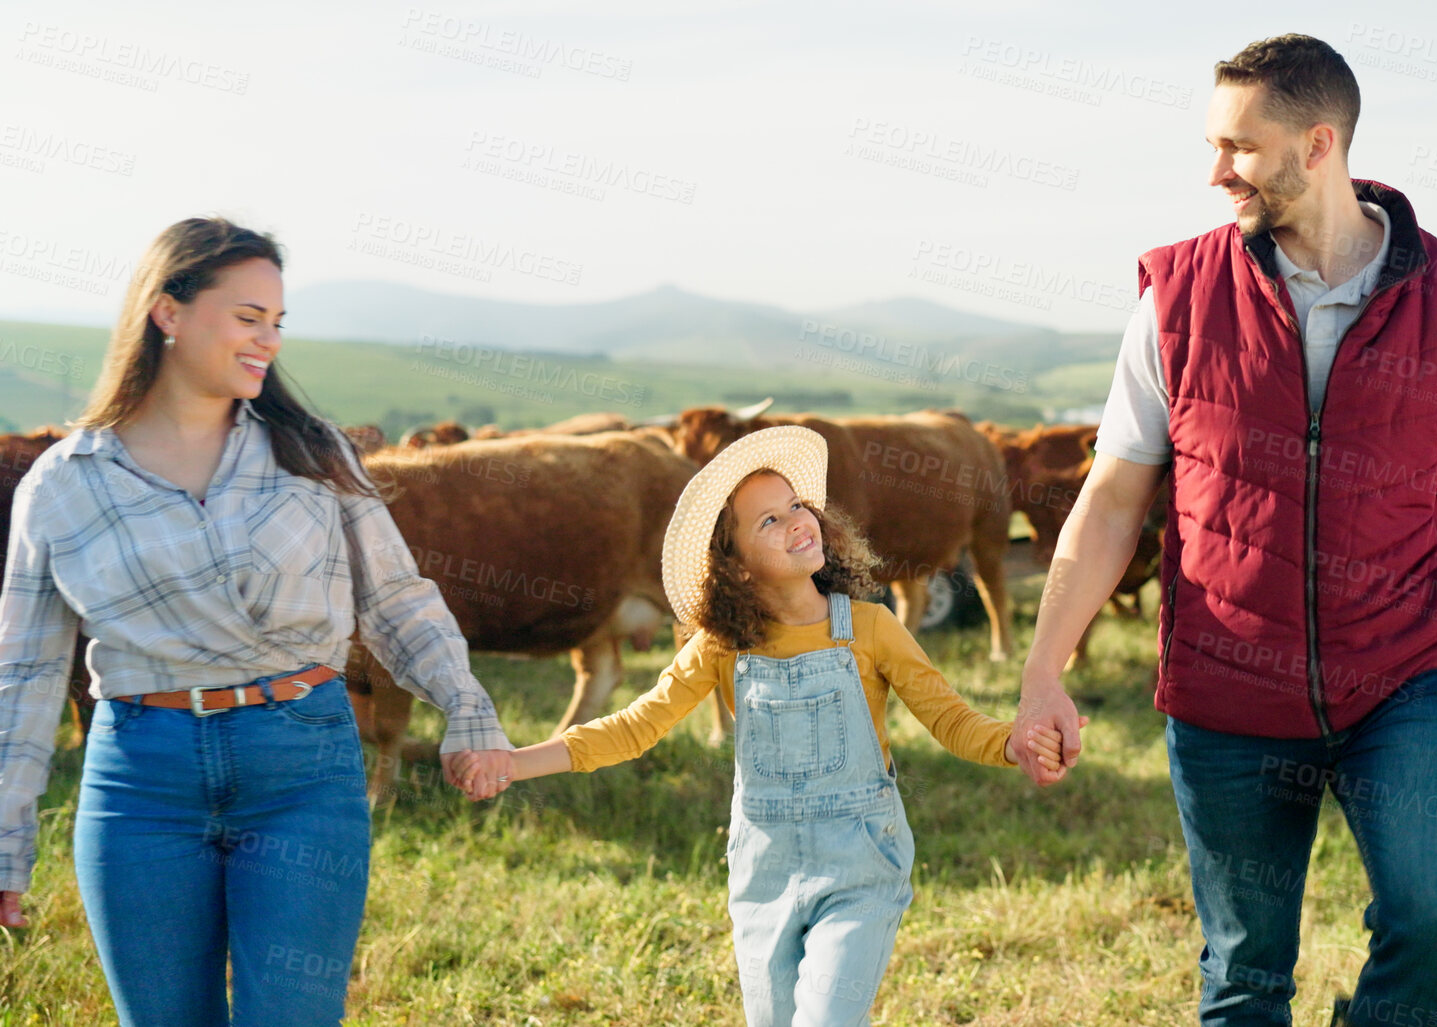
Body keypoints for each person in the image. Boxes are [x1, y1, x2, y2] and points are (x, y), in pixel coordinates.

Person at [1013, 36, 1437, 1027]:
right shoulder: (1177, 295)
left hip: (1405, 674)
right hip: (1228, 684)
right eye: (1212, 143)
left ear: (1318, 145)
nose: (1215, 170)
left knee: (1436, 920)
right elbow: (1111, 500)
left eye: (1239, 146)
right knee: (1244, 975)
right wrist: (1043, 669)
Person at [0, 217, 516, 1026]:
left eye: (277, 322)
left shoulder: (311, 454)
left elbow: (396, 597)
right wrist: (5, 840)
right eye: (248, 317)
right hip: (140, 781)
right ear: (167, 312)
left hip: (300, 769)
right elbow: (25, 674)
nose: (268, 340)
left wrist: (468, 705)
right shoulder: (64, 485)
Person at [473, 426, 1062, 1026]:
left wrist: (1012, 744)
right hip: (763, 873)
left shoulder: (871, 627)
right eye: (768, 523)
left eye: (796, 507)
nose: (796, 523)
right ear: (735, 568)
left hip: (860, 867)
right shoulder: (720, 646)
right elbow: (634, 727)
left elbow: (949, 718)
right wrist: (516, 762)